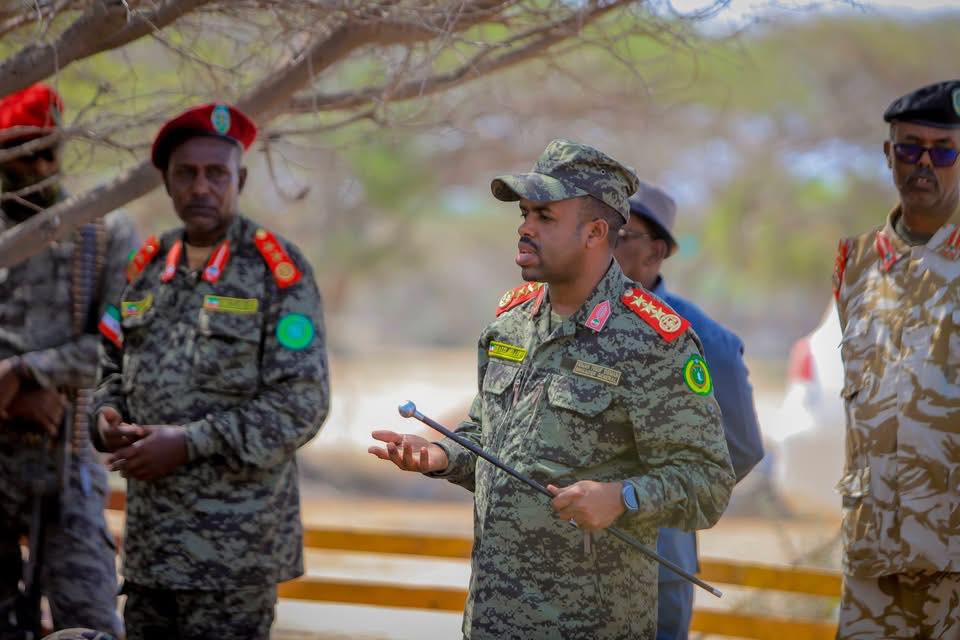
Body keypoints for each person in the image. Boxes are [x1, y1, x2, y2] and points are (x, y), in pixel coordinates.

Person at [369, 139, 735, 639]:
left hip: (589, 626)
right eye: (524, 214)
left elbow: (707, 482)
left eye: (544, 215)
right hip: (492, 621)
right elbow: (490, 440)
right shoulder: (509, 324)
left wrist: (623, 496)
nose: (525, 227)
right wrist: (441, 455)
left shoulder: (653, 341)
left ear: (595, 232)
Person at [91, 103, 330, 640]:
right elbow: (108, 369)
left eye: (216, 173)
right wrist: (105, 417)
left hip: (233, 558)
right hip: (151, 551)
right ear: (167, 182)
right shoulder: (144, 269)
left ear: (238, 180)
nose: (201, 187)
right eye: (187, 173)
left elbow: (302, 403)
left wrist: (189, 443)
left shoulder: (276, 270)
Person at [0, 83, 135, 638]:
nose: (38, 167)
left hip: (66, 464)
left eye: (47, 152)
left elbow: (117, 348)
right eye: (21, 153)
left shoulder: (102, 232)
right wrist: (11, 397)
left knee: (91, 619)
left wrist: (25, 372)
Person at [833, 79, 960, 639]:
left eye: (943, 150)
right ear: (889, 154)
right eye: (910, 147)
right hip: (873, 553)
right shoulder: (855, 262)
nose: (924, 163)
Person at [613, 183, 764, 640]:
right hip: (560, 569)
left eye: (622, 235)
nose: (604, 244)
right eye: (598, 229)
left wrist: (652, 498)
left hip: (652, 566)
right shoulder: (567, 321)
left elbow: (738, 448)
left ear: (656, 251)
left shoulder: (697, 336)